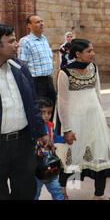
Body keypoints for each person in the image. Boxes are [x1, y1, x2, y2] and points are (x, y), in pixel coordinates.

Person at [57, 39, 110, 199]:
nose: (93, 54)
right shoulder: (65, 73)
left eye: (93, 50)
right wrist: (67, 129)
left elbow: (98, 93)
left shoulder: (93, 68)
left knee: (100, 154)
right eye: (89, 51)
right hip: (75, 122)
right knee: (70, 156)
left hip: (94, 120)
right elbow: (62, 102)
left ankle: (99, 195)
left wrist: (101, 117)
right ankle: (62, 191)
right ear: (78, 53)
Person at [0, 24, 49, 200]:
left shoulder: (19, 67)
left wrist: (41, 132)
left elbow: (32, 103)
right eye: (11, 41)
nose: (17, 45)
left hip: (22, 142)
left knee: (25, 189)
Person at [18, 14, 57, 121]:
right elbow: (22, 65)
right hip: (36, 83)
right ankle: (40, 136)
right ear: (29, 25)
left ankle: (49, 134)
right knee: (40, 113)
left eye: (42, 21)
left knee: (51, 110)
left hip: (48, 80)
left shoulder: (44, 39)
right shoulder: (25, 41)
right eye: (37, 22)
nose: (41, 24)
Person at [35, 97, 65, 200]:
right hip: (37, 167)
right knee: (35, 192)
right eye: (43, 112)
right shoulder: (33, 128)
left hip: (50, 165)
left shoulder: (50, 125)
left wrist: (64, 139)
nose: (46, 116)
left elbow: (54, 137)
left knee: (56, 189)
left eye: (49, 113)